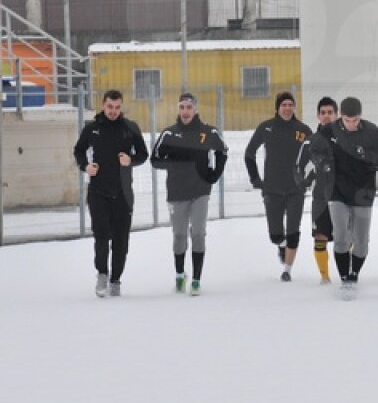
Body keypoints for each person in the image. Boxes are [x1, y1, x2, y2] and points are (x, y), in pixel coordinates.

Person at [308, 96, 378, 298]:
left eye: (355, 120)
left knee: (361, 241)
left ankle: (355, 274)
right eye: (347, 120)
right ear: (341, 117)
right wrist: (323, 163)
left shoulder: (372, 132)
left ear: (360, 117)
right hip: (337, 191)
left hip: (363, 192)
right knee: (340, 236)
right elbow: (314, 150)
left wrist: (366, 155)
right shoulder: (329, 131)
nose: (351, 124)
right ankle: (345, 279)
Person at [73, 89, 149, 297]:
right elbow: (79, 150)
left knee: (121, 240)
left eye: (117, 108)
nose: (113, 111)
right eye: (109, 107)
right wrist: (85, 166)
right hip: (98, 192)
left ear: (121, 107)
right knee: (101, 236)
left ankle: (116, 279)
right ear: (103, 105)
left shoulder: (130, 128)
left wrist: (130, 160)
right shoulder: (92, 128)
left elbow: (143, 154)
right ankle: (102, 274)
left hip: (123, 193)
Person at [150, 92, 228, 296]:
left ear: (196, 110)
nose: (185, 111)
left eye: (189, 107)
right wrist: (174, 162)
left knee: (198, 233)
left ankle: (196, 280)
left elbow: (223, 151)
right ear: (178, 110)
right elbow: (154, 159)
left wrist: (214, 174)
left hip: (200, 190)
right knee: (179, 236)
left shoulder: (208, 132)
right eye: (182, 107)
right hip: (176, 191)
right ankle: (179, 275)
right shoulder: (169, 134)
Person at [244, 91, 313, 282]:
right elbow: (249, 153)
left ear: (294, 107)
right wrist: (256, 179)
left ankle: (287, 270)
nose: (287, 108)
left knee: (293, 230)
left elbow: (315, 157)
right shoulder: (266, 128)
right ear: (277, 107)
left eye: (290, 104)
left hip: (295, 190)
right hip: (272, 189)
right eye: (284, 105)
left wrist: (308, 179)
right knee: (275, 235)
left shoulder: (303, 130)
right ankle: (281, 245)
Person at [295, 96, 338, 283]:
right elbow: (299, 166)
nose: (327, 116)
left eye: (330, 113)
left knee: (346, 237)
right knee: (320, 237)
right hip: (320, 198)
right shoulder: (310, 142)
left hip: (342, 197)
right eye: (323, 113)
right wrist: (304, 181)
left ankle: (348, 273)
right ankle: (325, 277)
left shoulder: (346, 140)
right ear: (318, 116)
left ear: (337, 115)